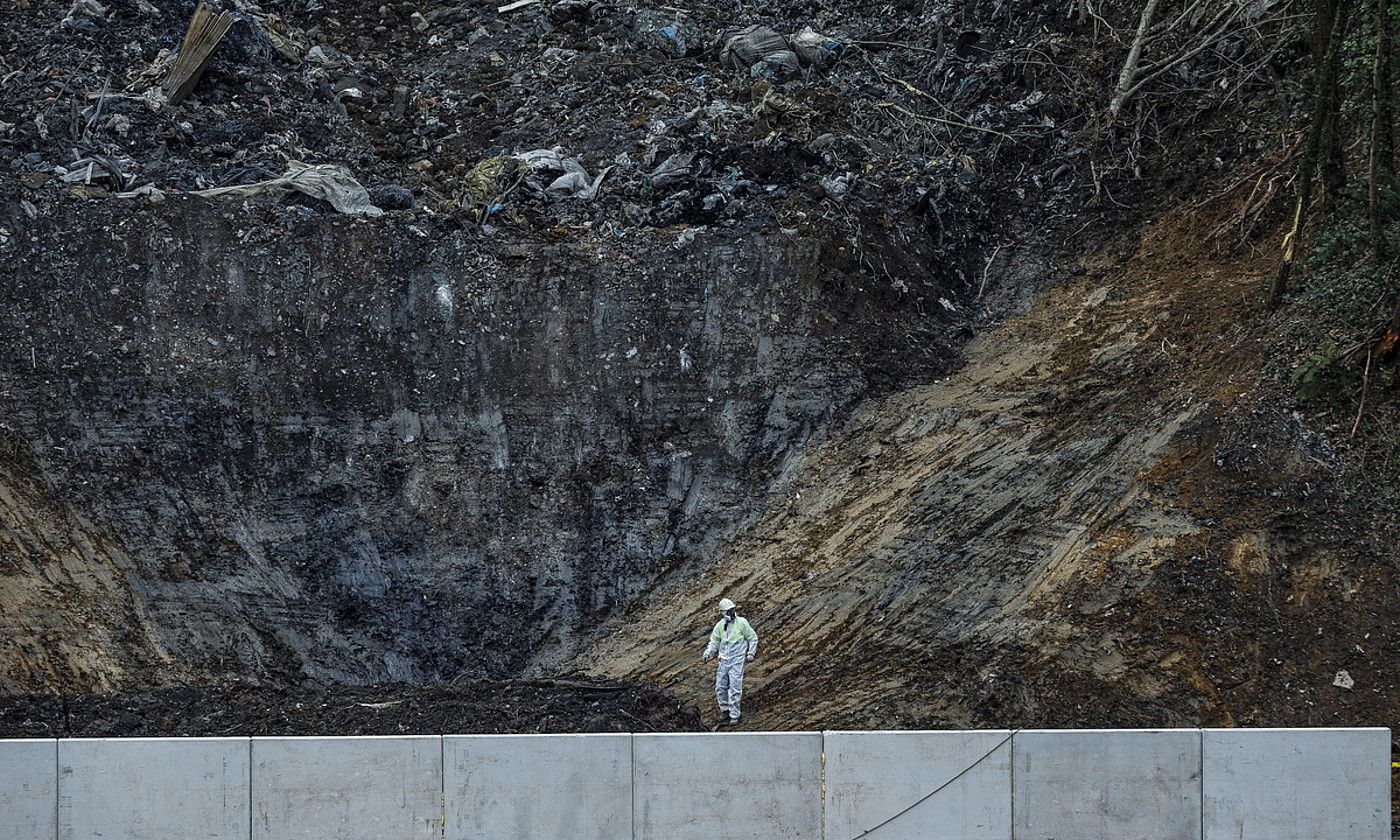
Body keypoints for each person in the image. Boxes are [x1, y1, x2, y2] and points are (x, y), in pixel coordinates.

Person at [701, 597, 758, 725]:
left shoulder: (742, 623)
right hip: (723, 661)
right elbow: (714, 642)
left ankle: (734, 715)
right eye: (728, 611)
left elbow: (752, 637)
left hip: (736, 661)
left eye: (732, 610)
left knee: (735, 688)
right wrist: (708, 653)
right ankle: (725, 710)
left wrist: (751, 653)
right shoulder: (720, 626)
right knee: (720, 687)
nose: (731, 613)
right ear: (722, 612)